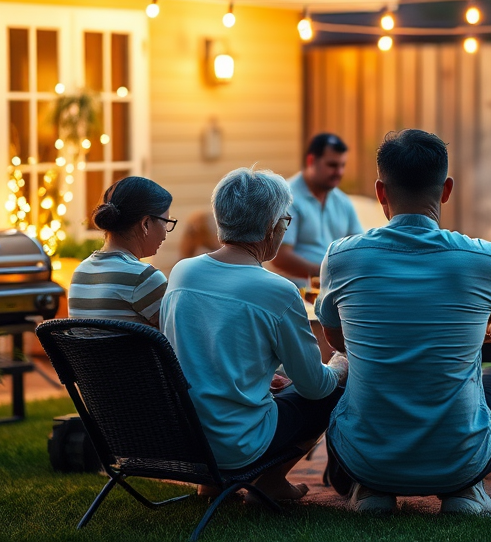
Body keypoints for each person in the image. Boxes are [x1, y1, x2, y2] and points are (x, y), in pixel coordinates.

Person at [317, 129, 491, 515]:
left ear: (380, 192)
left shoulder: (341, 257)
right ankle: (465, 491)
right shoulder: (488, 259)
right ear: (446, 189)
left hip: (366, 459)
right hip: (460, 462)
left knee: (348, 376)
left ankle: (371, 489)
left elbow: (336, 339)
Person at [161, 167, 348, 502]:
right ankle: (271, 481)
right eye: (285, 222)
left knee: (282, 387)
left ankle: (211, 485)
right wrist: (339, 364)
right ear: (270, 228)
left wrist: (269, 375)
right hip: (237, 444)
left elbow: (197, 352)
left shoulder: (182, 273)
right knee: (330, 395)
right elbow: (314, 385)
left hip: (184, 439)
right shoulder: (278, 290)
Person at [68, 176, 175, 328]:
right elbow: (179, 335)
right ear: (145, 224)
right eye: (166, 222)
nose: (165, 234)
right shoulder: (144, 278)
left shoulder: (80, 272)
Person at [272, 133, 363, 281]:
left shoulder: (343, 201)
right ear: (311, 161)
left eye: (342, 165)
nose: (339, 172)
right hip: (296, 295)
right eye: (332, 165)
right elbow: (280, 257)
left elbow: (360, 248)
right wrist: (328, 275)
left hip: (336, 292)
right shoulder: (286, 197)